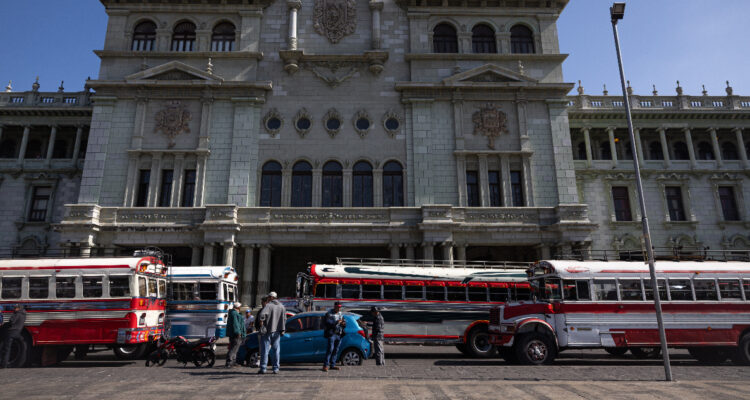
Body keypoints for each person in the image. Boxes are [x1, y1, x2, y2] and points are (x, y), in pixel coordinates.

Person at [257, 292, 286, 374]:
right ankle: (276, 368)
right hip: (277, 332)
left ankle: (263, 368)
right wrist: (282, 329)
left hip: (267, 331)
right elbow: (284, 319)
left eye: (269, 297)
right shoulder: (282, 306)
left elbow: (262, 316)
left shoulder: (268, 306)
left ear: (271, 297)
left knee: (265, 350)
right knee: (276, 351)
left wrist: (262, 324)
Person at [322, 301, 346, 372]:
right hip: (332, 334)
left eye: (339, 307)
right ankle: (325, 365)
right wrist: (336, 322)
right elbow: (327, 323)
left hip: (339, 334)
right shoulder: (329, 313)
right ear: (334, 306)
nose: (339, 309)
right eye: (338, 307)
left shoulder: (340, 314)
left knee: (336, 350)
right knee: (330, 349)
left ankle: (332, 364)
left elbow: (343, 323)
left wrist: (343, 324)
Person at [225, 302, 246, 368]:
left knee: (235, 349)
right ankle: (229, 362)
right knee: (233, 348)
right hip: (236, 334)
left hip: (235, 334)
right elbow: (236, 324)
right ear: (238, 307)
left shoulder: (234, 313)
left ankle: (233, 362)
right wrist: (238, 332)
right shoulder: (234, 313)